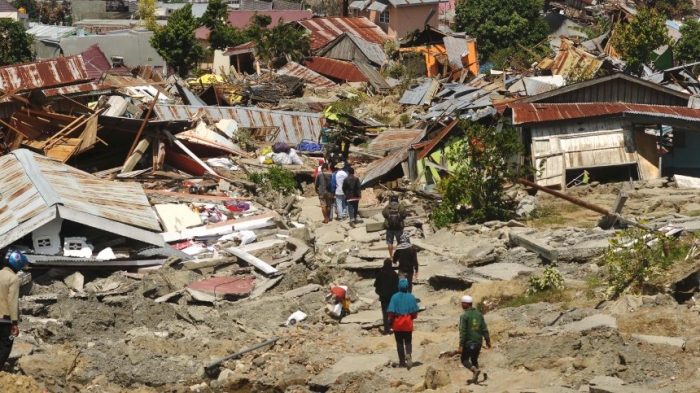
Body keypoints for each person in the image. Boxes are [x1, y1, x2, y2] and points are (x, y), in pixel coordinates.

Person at [0, 251, 26, 370]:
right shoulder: (13, 278)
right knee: (5, 345)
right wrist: (14, 322)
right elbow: (12, 301)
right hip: (5, 319)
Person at [458, 295, 491, 385]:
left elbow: (463, 332)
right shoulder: (479, 314)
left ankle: (475, 370)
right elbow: (484, 328)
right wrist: (487, 340)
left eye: (462, 303)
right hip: (478, 342)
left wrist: (461, 345)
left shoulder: (465, 316)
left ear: (466, 304)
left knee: (464, 360)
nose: (461, 305)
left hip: (469, 343)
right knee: (474, 360)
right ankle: (475, 378)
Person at [387, 278, 419, 369]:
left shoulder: (394, 297)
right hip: (408, 322)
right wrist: (412, 317)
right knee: (408, 341)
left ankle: (401, 362)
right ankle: (408, 354)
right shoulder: (411, 297)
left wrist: (390, 321)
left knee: (399, 342)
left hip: (397, 323)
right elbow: (415, 311)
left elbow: (390, 312)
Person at [374, 259, 399, 335]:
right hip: (393, 296)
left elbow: (376, 284)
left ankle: (386, 330)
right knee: (393, 312)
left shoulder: (380, 273)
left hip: (383, 297)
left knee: (385, 314)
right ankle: (394, 326)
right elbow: (397, 285)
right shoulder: (394, 274)